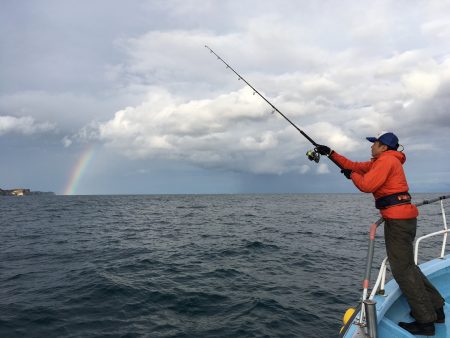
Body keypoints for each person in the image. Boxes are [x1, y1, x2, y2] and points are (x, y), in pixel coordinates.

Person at [316, 131, 445, 336]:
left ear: (384, 147)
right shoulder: (384, 160)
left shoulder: (385, 162)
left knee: (402, 270)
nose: (371, 146)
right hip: (403, 217)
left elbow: (367, 185)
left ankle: (426, 321)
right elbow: (355, 166)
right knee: (409, 266)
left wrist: (352, 176)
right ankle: (437, 309)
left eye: (374, 143)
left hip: (398, 220)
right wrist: (331, 153)